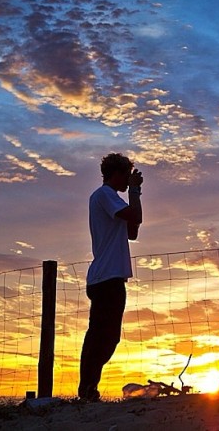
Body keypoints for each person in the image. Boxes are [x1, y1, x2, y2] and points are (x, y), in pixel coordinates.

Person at [78, 153, 143, 401]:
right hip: (106, 278)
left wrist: (133, 197)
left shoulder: (112, 200)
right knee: (100, 336)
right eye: (126, 175)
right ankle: (87, 389)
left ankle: (88, 388)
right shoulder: (104, 195)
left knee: (108, 337)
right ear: (115, 174)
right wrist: (135, 193)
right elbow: (135, 217)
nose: (128, 180)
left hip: (111, 278)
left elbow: (133, 231)